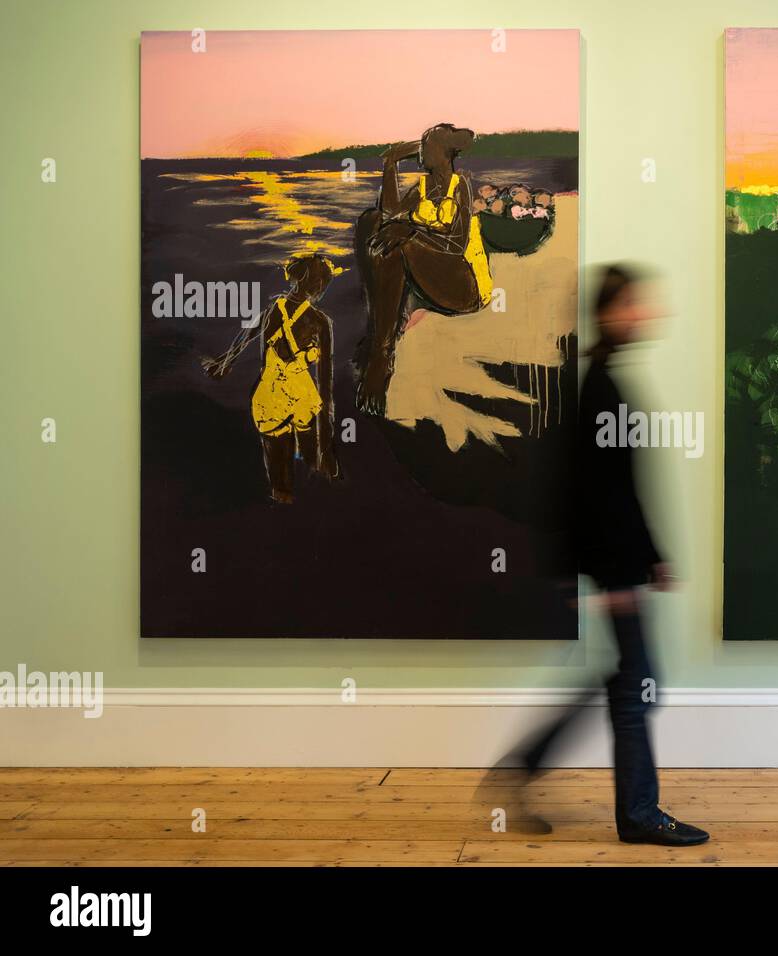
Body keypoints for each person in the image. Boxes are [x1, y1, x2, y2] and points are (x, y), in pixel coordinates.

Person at [477, 264, 709, 847]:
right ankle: (638, 815)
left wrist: (651, 555)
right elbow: (589, 492)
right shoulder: (600, 385)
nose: (645, 313)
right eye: (634, 304)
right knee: (636, 686)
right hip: (614, 567)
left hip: (620, 563)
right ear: (609, 313)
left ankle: (527, 768)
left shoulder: (605, 379)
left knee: (625, 682)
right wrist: (619, 574)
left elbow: (617, 486)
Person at [353, 123, 494, 416]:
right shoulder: (423, 187)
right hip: (434, 279)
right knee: (373, 221)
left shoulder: (460, 187)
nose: (421, 151)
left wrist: (412, 233)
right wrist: (391, 163)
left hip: (464, 284)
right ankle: (382, 342)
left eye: (427, 146)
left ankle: (382, 350)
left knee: (399, 240)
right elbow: (390, 216)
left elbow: (456, 245)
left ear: (444, 153)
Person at [202, 253, 342, 503]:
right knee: (313, 469)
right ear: (319, 284)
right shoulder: (320, 322)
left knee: (279, 481)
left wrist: (222, 366)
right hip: (302, 399)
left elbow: (243, 340)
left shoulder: (271, 310)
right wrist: (328, 449)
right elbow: (325, 385)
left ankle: (282, 506)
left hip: (269, 397)